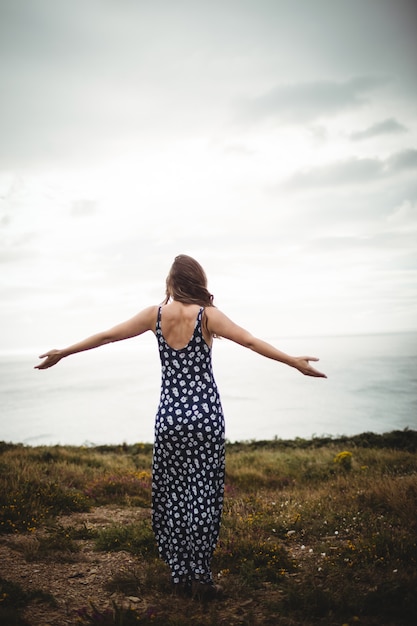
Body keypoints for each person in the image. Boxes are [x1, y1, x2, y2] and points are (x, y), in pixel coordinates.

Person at [35, 254, 326, 599]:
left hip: (170, 418)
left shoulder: (154, 315)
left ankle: (179, 575)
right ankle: (202, 576)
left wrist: (63, 353)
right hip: (205, 417)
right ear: (198, 281)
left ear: (171, 283)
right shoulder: (207, 316)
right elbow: (249, 340)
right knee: (202, 495)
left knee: (172, 496)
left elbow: (106, 336)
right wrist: (293, 362)